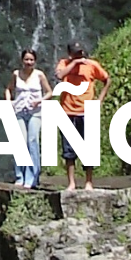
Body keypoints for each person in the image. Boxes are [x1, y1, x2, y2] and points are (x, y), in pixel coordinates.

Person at [53, 39, 110, 192]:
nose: (80, 55)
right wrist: (74, 63)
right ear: (70, 54)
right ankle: (71, 183)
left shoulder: (92, 65)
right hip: (67, 111)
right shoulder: (64, 63)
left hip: (87, 110)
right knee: (68, 150)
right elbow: (59, 75)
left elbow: (106, 79)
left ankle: (89, 182)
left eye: (81, 52)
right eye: (76, 53)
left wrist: (100, 100)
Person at [4, 47, 52, 188]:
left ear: (35, 61)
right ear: (22, 60)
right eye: (26, 59)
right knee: (20, 143)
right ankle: (20, 177)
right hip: (19, 112)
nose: (29, 62)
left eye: (31, 60)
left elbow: (49, 92)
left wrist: (40, 100)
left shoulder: (39, 75)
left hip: (35, 113)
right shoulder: (16, 74)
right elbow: (8, 89)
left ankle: (32, 178)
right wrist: (9, 102)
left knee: (33, 142)